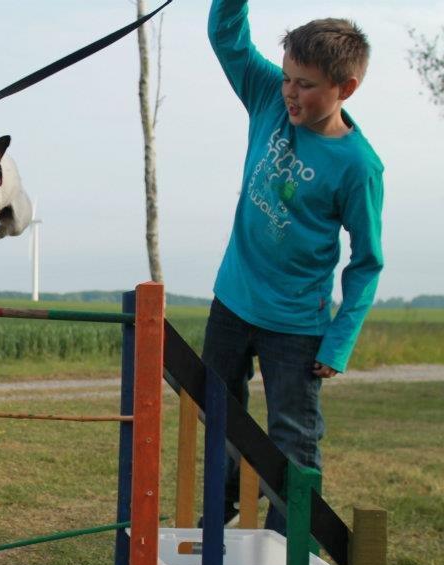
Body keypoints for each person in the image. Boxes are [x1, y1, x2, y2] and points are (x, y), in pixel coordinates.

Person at [205, 1, 384, 534]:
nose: (290, 92)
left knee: (292, 437)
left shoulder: (358, 166)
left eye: (305, 85)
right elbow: (227, 35)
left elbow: (367, 261)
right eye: (287, 77)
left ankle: (290, 552)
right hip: (233, 300)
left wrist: (339, 341)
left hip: (297, 326)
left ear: (344, 89)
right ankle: (221, 511)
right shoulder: (267, 98)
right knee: (217, 413)